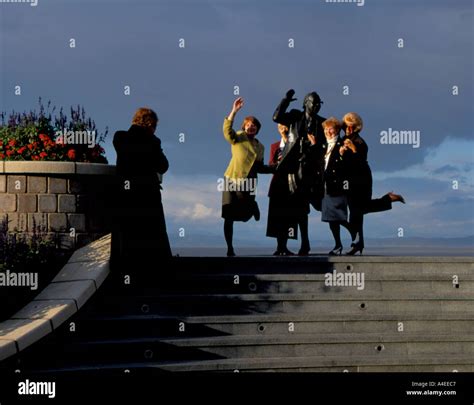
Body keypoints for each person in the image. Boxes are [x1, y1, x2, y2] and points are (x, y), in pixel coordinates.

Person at [111, 107, 172, 278]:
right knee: (152, 233)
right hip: (147, 193)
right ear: (150, 125)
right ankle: (155, 272)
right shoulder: (153, 142)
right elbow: (163, 166)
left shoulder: (119, 137)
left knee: (127, 234)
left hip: (125, 193)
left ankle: (127, 271)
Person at [340, 112, 405, 255]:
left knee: (357, 211)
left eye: (351, 127)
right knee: (358, 210)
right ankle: (358, 244)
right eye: (345, 126)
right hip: (348, 180)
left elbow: (361, 162)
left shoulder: (360, 142)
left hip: (361, 179)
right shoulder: (343, 139)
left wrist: (353, 149)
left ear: (356, 128)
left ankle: (357, 244)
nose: (347, 129)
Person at [272, 89, 326, 255]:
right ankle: (282, 246)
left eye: (318, 103)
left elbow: (324, 148)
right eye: (313, 103)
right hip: (291, 168)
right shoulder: (295, 116)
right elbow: (276, 117)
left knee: (304, 209)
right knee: (288, 207)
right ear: (305, 104)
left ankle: (305, 244)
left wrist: (315, 145)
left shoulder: (322, 123)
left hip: (310, 170)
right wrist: (285, 100)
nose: (316, 106)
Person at [222, 97, 271, 257]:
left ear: (257, 129)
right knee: (228, 215)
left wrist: (275, 169)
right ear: (244, 126)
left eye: (254, 126)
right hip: (231, 179)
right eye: (249, 125)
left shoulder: (260, 146)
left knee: (244, 216)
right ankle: (230, 248)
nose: (251, 127)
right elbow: (227, 132)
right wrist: (234, 111)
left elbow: (259, 167)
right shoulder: (238, 137)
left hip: (249, 182)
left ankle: (253, 206)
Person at [313, 117, 350, 255]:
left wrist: (341, 156)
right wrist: (313, 145)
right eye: (325, 129)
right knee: (331, 219)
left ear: (337, 130)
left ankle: (356, 237)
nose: (328, 131)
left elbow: (348, 166)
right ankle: (338, 245)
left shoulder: (342, 144)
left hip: (338, 187)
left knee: (339, 216)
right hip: (325, 187)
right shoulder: (324, 145)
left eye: (331, 128)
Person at [266, 124, 300, 256]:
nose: (283, 131)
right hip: (277, 184)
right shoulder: (275, 146)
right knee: (276, 217)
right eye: (281, 128)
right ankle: (279, 247)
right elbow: (270, 163)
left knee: (289, 217)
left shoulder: (296, 144)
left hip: (291, 184)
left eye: (286, 128)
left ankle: (284, 246)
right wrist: (278, 164)